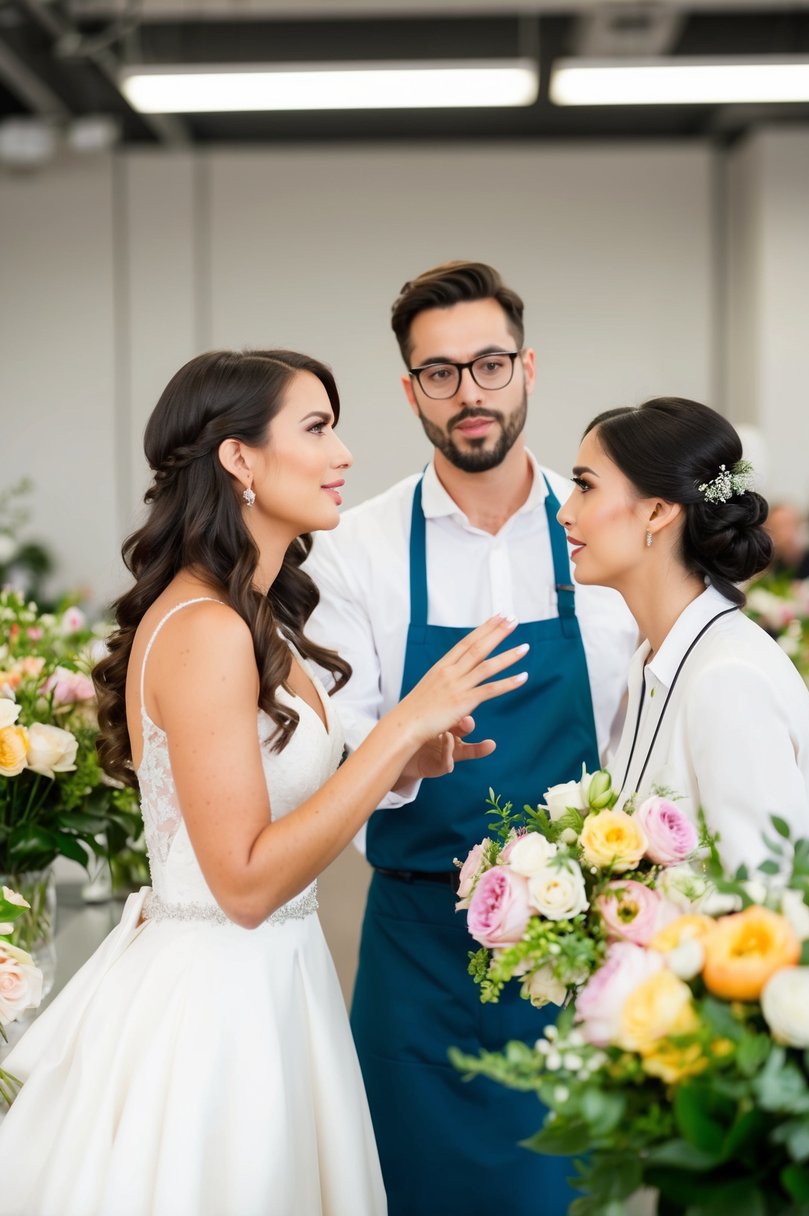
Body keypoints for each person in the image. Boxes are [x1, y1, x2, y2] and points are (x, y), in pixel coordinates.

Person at [0, 349, 531, 1216]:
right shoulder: (205, 628)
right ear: (238, 458)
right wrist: (396, 723)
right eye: (316, 427)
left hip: (276, 980)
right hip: (217, 1008)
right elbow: (242, 882)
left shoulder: (253, 613)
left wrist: (399, 759)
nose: (344, 453)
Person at [304, 261, 637, 1215]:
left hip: (582, 952)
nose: (470, 393)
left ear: (527, 367)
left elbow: (639, 731)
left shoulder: (599, 537)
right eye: (440, 373)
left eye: (489, 365)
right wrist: (410, 752)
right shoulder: (354, 548)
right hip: (419, 953)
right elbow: (339, 745)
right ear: (410, 391)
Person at [557, 396, 809, 871]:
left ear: (657, 511)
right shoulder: (656, 661)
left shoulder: (729, 679)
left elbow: (761, 909)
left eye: (584, 486)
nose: (564, 511)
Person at [764, 500, 809, 581]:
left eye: (787, 524)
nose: (782, 532)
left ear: (798, 525)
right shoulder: (767, 565)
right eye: (776, 526)